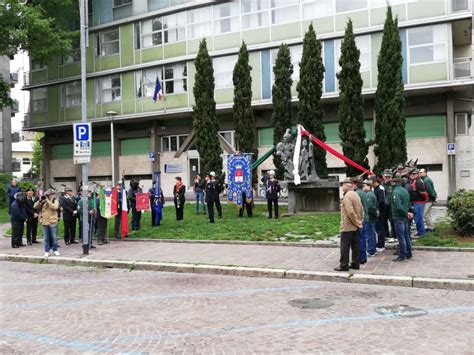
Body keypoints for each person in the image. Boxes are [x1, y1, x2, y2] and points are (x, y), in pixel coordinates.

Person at [335, 178, 364, 272]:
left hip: (348, 226)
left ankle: (344, 265)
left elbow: (350, 212)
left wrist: (356, 222)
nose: (341, 186)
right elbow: (361, 209)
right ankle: (356, 263)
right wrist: (360, 221)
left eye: (342, 184)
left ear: (347, 185)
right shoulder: (356, 194)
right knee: (355, 245)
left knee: (344, 246)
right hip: (356, 226)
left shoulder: (347, 196)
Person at [391, 174, 413, 262]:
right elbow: (408, 203)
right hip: (405, 217)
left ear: (395, 182)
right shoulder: (405, 190)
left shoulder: (396, 192)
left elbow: (398, 206)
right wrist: (408, 213)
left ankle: (402, 255)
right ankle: (409, 253)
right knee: (406, 235)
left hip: (399, 216)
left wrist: (405, 213)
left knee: (401, 236)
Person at [34, 189, 60, 258]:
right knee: (46, 238)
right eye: (47, 195)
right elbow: (35, 206)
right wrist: (40, 201)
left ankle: (55, 250)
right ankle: (47, 251)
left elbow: (55, 207)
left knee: (54, 237)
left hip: (52, 222)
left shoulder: (55, 200)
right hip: (45, 222)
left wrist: (48, 201)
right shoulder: (43, 201)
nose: (48, 196)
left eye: (49, 195)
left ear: (52, 195)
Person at [406, 169, 427, 238]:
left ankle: (421, 233)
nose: (412, 175)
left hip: (419, 202)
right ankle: (420, 232)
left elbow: (423, 193)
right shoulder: (413, 181)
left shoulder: (418, 182)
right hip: (414, 202)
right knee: (416, 218)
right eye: (411, 174)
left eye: (414, 174)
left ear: (418, 174)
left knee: (418, 218)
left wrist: (425, 199)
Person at [353, 177, 368, 264]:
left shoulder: (357, 193)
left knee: (359, 239)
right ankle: (364, 256)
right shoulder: (364, 192)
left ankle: (361, 257)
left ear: (355, 184)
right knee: (363, 238)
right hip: (365, 217)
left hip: (360, 219)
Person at [363, 179, 379, 257]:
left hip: (370, 218)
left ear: (369, 186)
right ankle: (373, 249)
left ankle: (371, 250)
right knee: (371, 234)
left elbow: (369, 208)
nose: (363, 187)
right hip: (372, 218)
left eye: (364, 185)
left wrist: (375, 214)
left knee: (370, 235)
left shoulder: (368, 195)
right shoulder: (370, 194)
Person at [370, 175, 386, 252]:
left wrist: (377, 208)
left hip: (380, 212)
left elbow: (381, 201)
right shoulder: (376, 189)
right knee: (378, 228)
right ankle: (380, 243)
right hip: (379, 211)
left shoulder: (379, 189)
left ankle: (381, 244)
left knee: (380, 228)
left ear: (373, 182)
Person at [381, 170, 396, 243]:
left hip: (391, 206)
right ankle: (386, 235)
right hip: (383, 206)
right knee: (384, 221)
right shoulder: (381, 185)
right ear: (383, 177)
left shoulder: (393, 185)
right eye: (386, 176)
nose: (387, 178)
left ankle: (394, 235)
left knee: (392, 221)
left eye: (389, 176)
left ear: (391, 177)